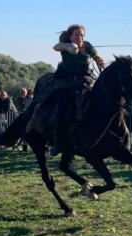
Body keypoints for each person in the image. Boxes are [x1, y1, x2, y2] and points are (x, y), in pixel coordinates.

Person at [50, 24, 106, 156]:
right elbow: (55, 47)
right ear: (70, 36)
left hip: (85, 80)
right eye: (77, 35)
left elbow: (98, 57)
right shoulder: (66, 45)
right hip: (66, 81)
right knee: (61, 109)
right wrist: (67, 46)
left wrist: (102, 63)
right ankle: (57, 142)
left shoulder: (87, 46)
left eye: (82, 35)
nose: (80, 37)